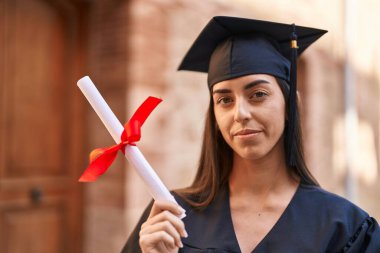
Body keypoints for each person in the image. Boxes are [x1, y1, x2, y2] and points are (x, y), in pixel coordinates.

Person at [122, 16, 380, 253]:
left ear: (291, 105)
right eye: (224, 100)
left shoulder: (343, 228)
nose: (240, 113)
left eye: (258, 95)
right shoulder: (170, 216)